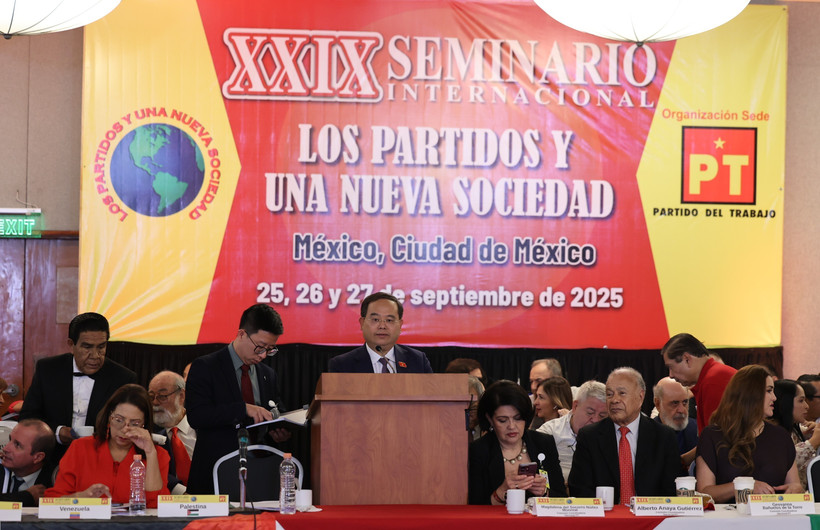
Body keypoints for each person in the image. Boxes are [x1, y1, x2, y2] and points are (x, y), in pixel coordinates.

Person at [185, 303, 289, 494]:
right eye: (260, 347)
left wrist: (279, 429)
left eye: (270, 349)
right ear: (241, 334)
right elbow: (197, 416)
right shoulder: (206, 367)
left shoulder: (268, 374)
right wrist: (242, 409)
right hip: (216, 471)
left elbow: (276, 409)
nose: (263, 355)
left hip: (260, 472)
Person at [20, 312, 137, 460]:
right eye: (87, 347)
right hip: (50, 457)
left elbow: (128, 428)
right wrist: (58, 432)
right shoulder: (48, 369)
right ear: (71, 345)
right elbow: (28, 417)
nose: (95, 355)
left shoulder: (123, 378)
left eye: (101, 347)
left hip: (100, 459)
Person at [45, 384, 170, 506]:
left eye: (135, 423)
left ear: (144, 424)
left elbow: (157, 506)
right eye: (119, 420)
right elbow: (53, 500)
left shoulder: (158, 455)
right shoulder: (81, 447)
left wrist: (150, 453)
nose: (125, 429)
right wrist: (82, 497)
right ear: (109, 417)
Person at [568, 367, 680, 502]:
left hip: (650, 518)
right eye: (609, 394)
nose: (614, 400)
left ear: (640, 397)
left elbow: (671, 490)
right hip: (606, 517)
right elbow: (579, 488)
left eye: (621, 393)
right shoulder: (589, 437)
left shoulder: (663, 437)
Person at [695, 365, 802, 502]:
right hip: (728, 519)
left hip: (774, 517)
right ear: (751, 394)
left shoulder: (781, 436)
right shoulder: (713, 435)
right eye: (769, 391)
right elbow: (704, 492)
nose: (774, 398)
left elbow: (795, 484)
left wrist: (796, 489)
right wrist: (744, 486)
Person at [468, 381, 566, 505]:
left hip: (538, 523)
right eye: (502, 420)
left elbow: (562, 496)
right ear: (489, 419)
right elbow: (474, 506)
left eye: (518, 418)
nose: (512, 426)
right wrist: (501, 492)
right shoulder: (479, 450)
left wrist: (544, 493)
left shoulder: (543, 442)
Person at [328, 293, 432, 373]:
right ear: (362, 323)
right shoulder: (342, 365)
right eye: (375, 320)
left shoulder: (418, 361)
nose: (382, 326)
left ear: (400, 325)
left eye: (389, 320)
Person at [660, 333, 736, 432]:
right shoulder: (714, 376)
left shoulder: (712, 383)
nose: (671, 375)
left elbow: (718, 441)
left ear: (687, 359)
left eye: (671, 367)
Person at [537, 380, 608, 483]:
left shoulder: (609, 435)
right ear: (575, 406)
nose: (596, 420)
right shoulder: (549, 432)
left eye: (602, 416)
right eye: (590, 413)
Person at [149, 371, 195, 495]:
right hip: (167, 501)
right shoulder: (147, 431)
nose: (155, 402)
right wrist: (181, 492)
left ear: (181, 396)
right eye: (151, 396)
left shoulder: (203, 426)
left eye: (162, 396)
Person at [770, 379, 820, 490]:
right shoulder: (772, 432)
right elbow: (782, 461)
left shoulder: (794, 429)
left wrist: (812, 434)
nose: (806, 406)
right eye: (801, 401)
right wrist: (812, 443)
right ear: (785, 402)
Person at [0, 419, 56, 506]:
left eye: (17, 445)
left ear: (38, 457)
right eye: (10, 439)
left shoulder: (54, 480)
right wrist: (27, 497)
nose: (5, 448)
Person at [653, 377, 698, 468]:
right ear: (658, 404)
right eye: (675, 403)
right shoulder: (646, 435)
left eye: (685, 402)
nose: (681, 410)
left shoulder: (698, 429)